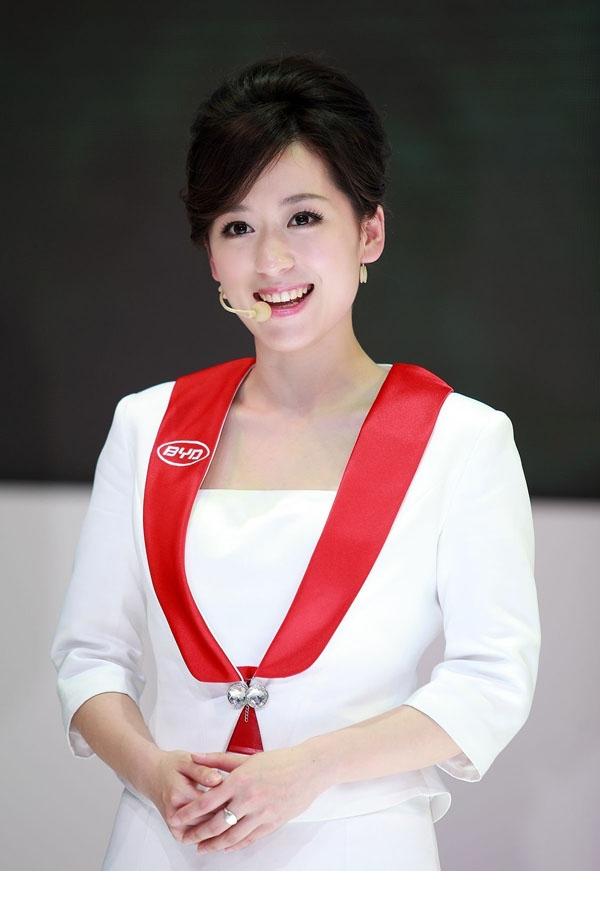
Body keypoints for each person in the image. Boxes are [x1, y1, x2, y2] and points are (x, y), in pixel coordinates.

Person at [50, 53, 541, 871]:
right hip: (163, 846)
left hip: (358, 845)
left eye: (304, 217)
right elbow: (90, 654)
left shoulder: (461, 438)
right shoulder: (148, 425)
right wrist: (151, 771)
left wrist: (310, 769)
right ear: (213, 258)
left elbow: (491, 679)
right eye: (237, 227)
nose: (271, 261)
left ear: (369, 232)